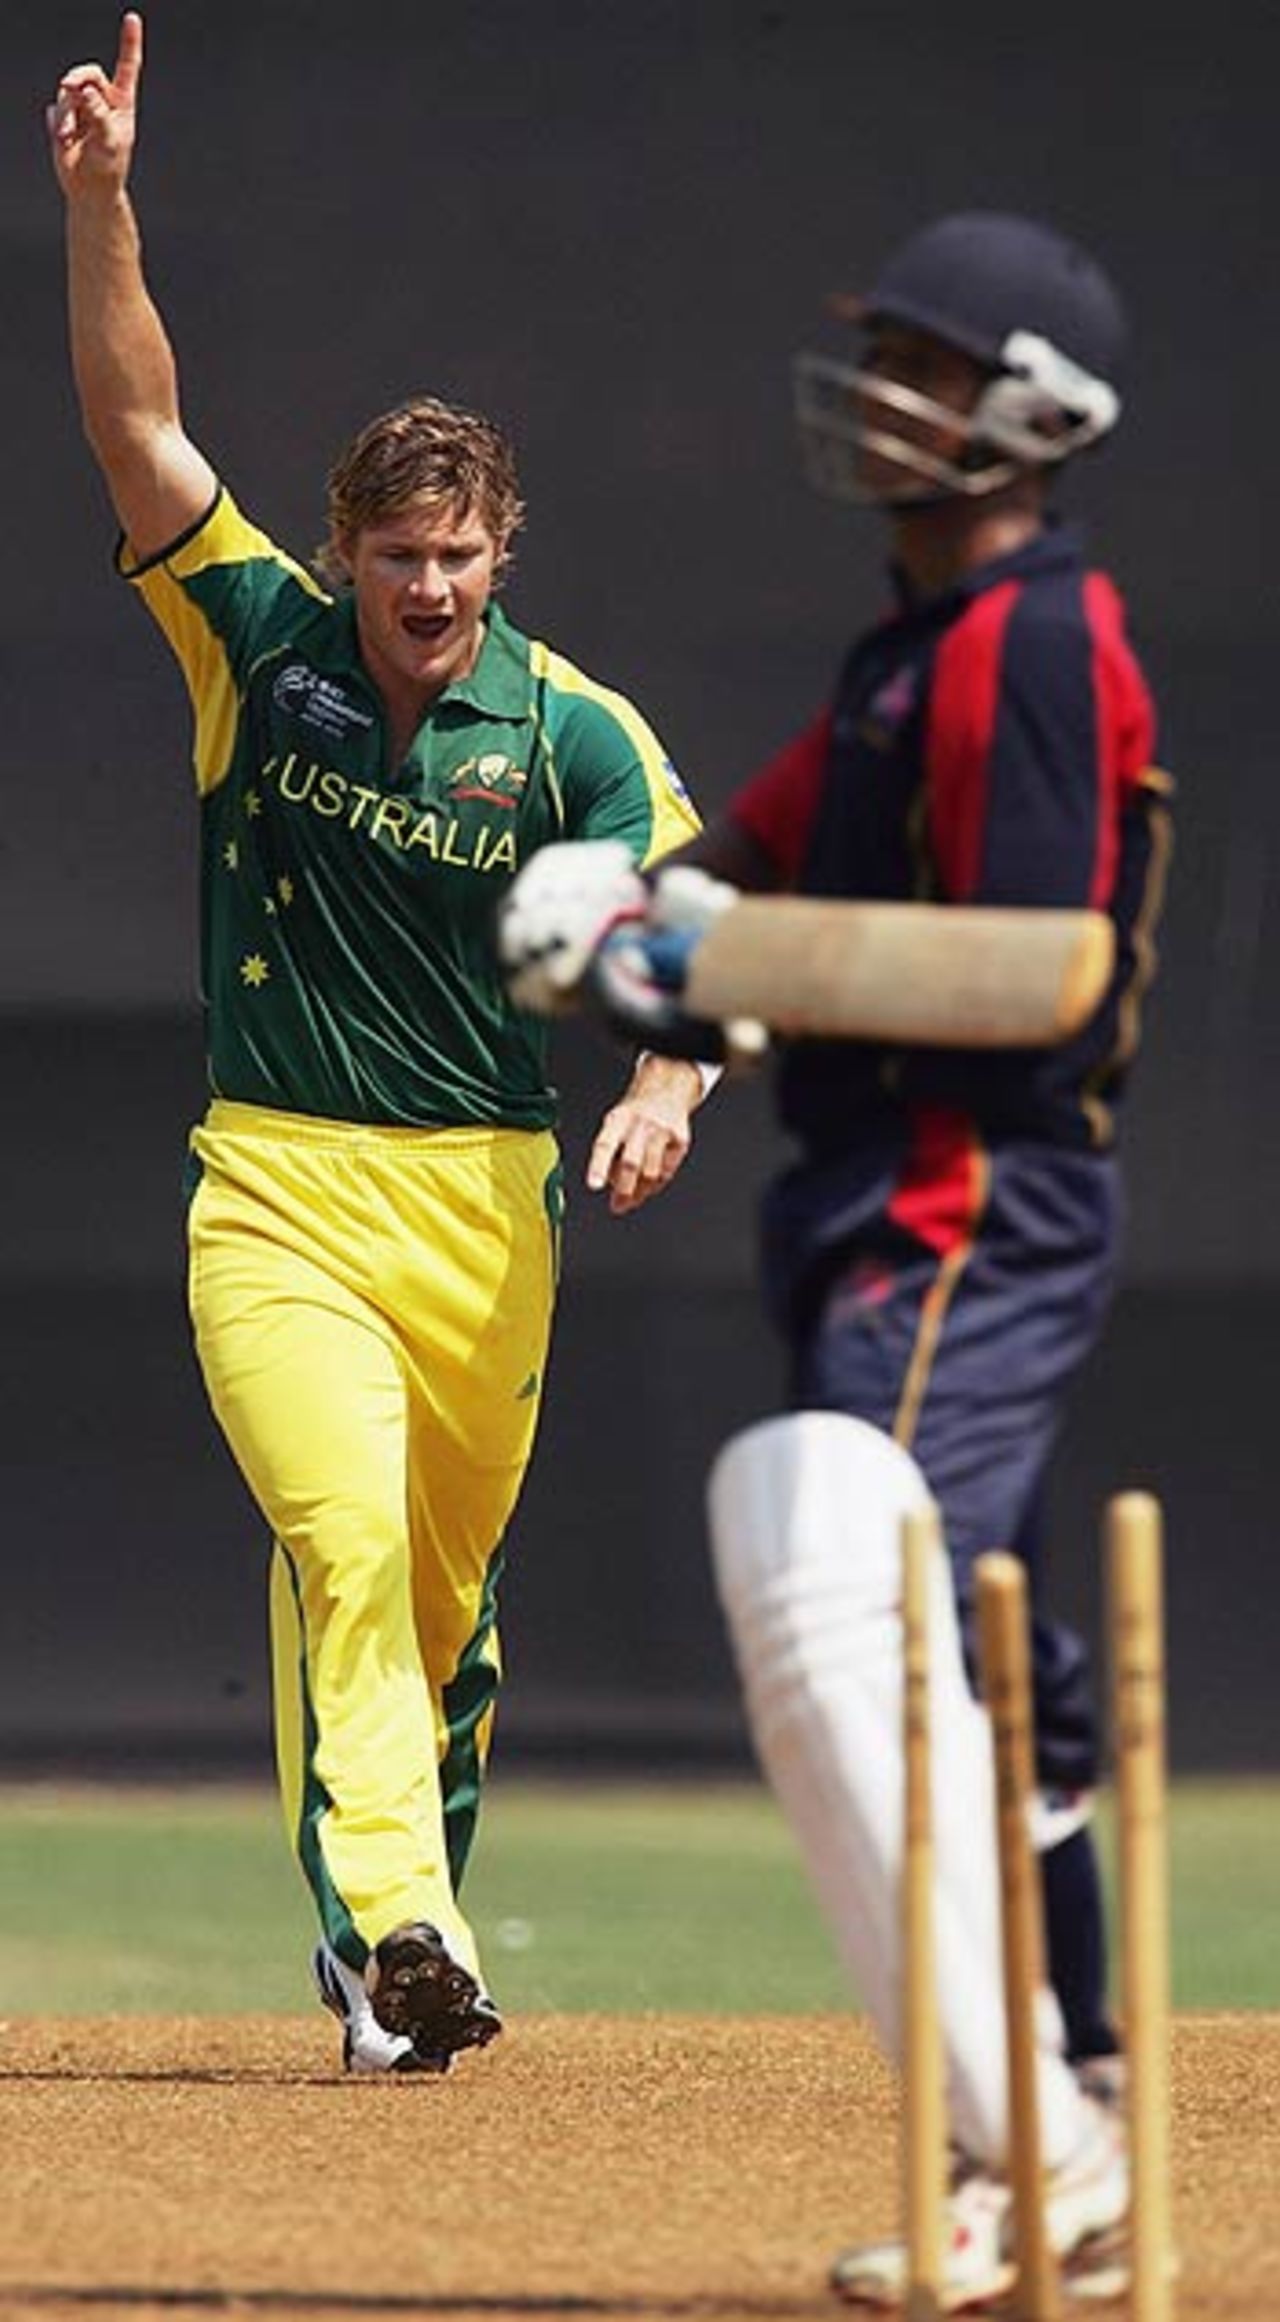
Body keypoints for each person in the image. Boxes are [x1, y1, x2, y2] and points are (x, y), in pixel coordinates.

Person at [500, 210, 1170, 2300]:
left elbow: (1046, 969)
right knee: (1003, 1685)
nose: (880, 388)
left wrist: (698, 951)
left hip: (969, 1194)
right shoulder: (901, 657)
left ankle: (1034, 2137)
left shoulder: (1033, 640)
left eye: (926, 362)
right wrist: (628, 918)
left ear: (1033, 414)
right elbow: (741, 871)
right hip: (873, 1199)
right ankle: (1057, 2123)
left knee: (820, 1545)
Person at [48, 10, 711, 2076]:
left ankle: (387, 1977)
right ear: (343, 546)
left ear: (498, 556)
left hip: (484, 1205)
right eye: (394, 553)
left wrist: (667, 1082)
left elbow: (680, 922)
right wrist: (99, 204)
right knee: (338, 1543)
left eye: (456, 557)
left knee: (436, 1607)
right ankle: (408, 1917)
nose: (423, 585)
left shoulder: (574, 727)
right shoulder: (260, 639)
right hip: (277, 1189)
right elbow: (140, 426)